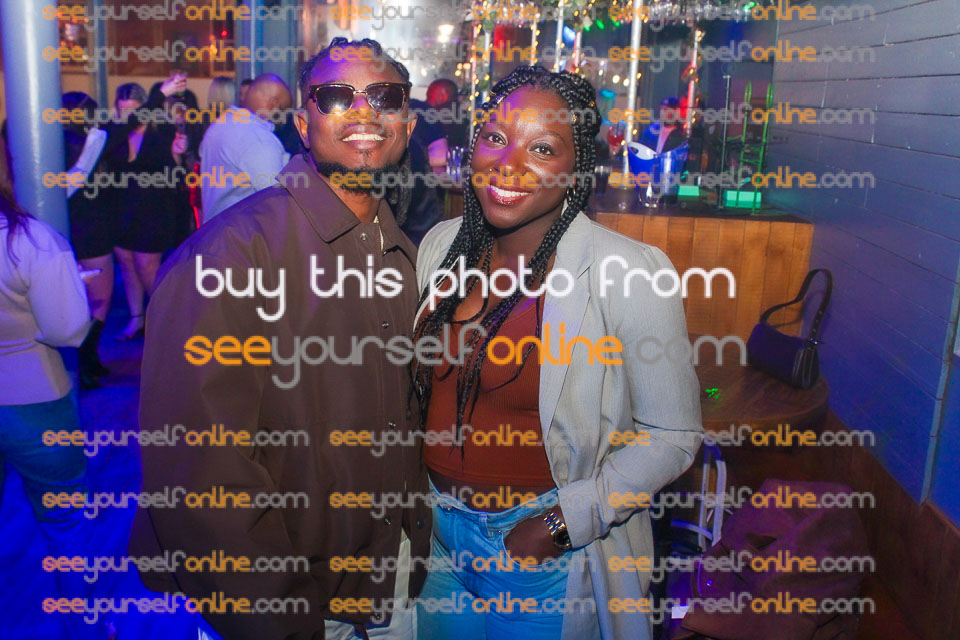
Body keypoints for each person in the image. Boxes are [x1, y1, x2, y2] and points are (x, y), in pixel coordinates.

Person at [129, 38, 430, 640]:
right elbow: (201, 469)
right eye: (336, 96)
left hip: (392, 584)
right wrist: (280, 618)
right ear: (301, 124)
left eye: (385, 96)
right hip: (287, 603)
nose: (364, 111)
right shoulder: (229, 255)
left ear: (408, 123)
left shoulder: (406, 256)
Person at [412, 66, 704, 640]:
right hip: (438, 542)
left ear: (575, 170)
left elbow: (673, 436)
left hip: (537, 556)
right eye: (496, 137)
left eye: (542, 148)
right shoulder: (443, 245)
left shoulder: (626, 271)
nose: (509, 164)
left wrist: (561, 524)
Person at [0, 188, 113, 639]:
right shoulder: (30, 240)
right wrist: (69, 289)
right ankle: (86, 630)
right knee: (64, 520)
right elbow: (67, 330)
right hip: (35, 402)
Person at [98, 76, 191, 341]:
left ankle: (167, 319)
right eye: (123, 109)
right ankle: (137, 318)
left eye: (133, 110)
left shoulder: (161, 130)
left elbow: (175, 178)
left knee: (147, 265)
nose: (128, 115)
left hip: (154, 210)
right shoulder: (112, 132)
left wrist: (177, 155)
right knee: (127, 265)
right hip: (120, 210)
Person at [61, 91, 111, 388]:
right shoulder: (95, 145)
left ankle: (82, 363)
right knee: (99, 299)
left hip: (62, 229)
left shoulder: (52, 146)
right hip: (93, 229)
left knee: (70, 300)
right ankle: (88, 361)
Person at [198, 73, 292, 223]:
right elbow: (278, 200)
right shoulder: (259, 139)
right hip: (239, 233)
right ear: (273, 103)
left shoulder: (220, 124)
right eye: (284, 110)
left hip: (214, 229)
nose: (284, 120)